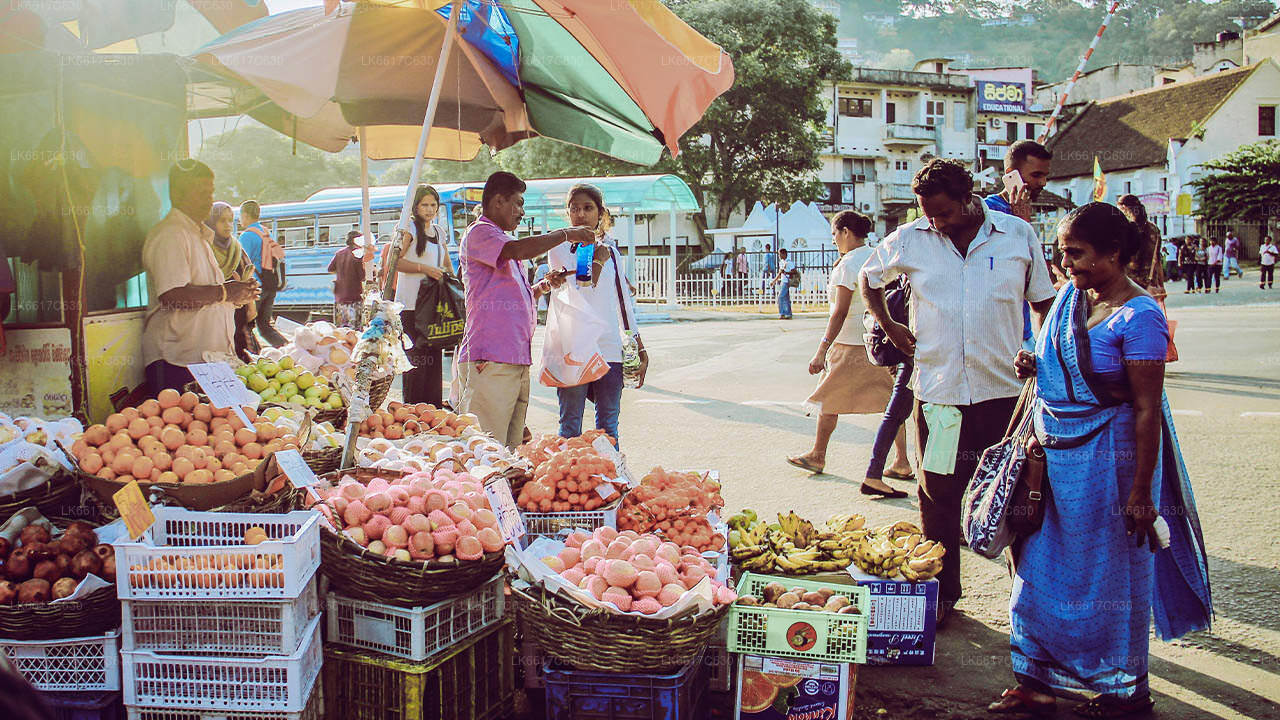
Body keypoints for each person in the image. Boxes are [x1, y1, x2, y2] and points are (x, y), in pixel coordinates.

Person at [991, 203, 1212, 718]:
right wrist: (1035, 362)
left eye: (1076, 253)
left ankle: (1123, 692)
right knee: (1036, 573)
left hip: (1111, 466)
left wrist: (1141, 493)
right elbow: (1059, 361)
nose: (1065, 263)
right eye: (1062, 252)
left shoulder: (1141, 316)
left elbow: (1147, 409)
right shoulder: (1072, 298)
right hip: (1054, 464)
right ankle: (1036, 683)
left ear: (1114, 253)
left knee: (1108, 580)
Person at [860, 159, 1056, 626]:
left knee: (1014, 497)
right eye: (928, 213)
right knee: (938, 495)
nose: (936, 223)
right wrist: (890, 325)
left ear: (969, 199)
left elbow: (1044, 302)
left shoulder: (1016, 235)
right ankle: (944, 594)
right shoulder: (911, 237)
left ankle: (1028, 600)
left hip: (1005, 396)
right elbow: (868, 277)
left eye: (944, 213)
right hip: (940, 397)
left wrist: (1041, 354)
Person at [456, 172, 594, 448]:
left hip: (514, 358)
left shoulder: (501, 240)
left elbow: (514, 294)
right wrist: (566, 234)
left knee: (509, 450)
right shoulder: (480, 233)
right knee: (486, 449)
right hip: (490, 358)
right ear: (498, 201)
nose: (522, 212)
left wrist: (543, 286)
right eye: (518, 204)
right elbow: (519, 250)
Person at [787, 211, 901, 496]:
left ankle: (818, 454)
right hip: (877, 342)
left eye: (835, 234)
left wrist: (821, 349)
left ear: (846, 232)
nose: (834, 240)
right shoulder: (877, 256)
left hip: (848, 343)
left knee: (829, 399)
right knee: (892, 402)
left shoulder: (848, 265)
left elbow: (839, 312)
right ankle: (901, 460)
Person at [141, 160, 257, 394]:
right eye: (201, 193)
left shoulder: (197, 235)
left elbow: (206, 295)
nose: (208, 200)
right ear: (177, 194)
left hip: (205, 360)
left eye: (210, 193)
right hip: (177, 361)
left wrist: (237, 295)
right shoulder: (171, 234)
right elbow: (172, 295)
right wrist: (225, 292)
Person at [547, 184, 649, 442]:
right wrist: (597, 259)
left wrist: (638, 345)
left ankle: (609, 469)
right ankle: (569, 469)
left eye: (587, 208)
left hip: (608, 347)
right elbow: (582, 287)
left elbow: (622, 301)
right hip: (573, 348)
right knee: (570, 427)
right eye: (574, 209)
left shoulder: (610, 251)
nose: (580, 214)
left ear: (600, 213)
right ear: (568, 213)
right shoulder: (559, 249)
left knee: (608, 428)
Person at [986, 141, 1054, 352]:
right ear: (1011, 175)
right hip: (996, 337)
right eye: (1036, 175)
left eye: (1045, 176)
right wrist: (1021, 223)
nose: (1042, 183)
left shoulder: (1021, 211)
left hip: (1023, 332)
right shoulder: (987, 212)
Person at [394, 185, 453, 407]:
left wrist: (455, 286)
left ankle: (432, 411)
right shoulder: (408, 229)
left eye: (433, 205)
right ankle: (412, 411)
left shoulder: (439, 232)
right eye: (424, 205)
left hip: (435, 307)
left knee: (434, 362)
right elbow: (395, 263)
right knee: (415, 363)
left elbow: (446, 264)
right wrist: (424, 269)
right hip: (411, 306)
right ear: (415, 207)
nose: (429, 209)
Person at [204, 201, 259, 362]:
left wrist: (250, 305)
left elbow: (248, 277)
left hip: (239, 316)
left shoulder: (236, 248)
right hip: (212, 316)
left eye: (230, 220)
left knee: (241, 360)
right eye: (222, 220)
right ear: (211, 222)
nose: (228, 225)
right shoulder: (203, 249)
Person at [236, 200, 287, 346]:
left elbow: (242, 263)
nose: (240, 220)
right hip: (270, 284)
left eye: (240, 216)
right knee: (265, 327)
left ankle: (249, 354)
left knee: (244, 326)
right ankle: (287, 348)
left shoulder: (246, 236)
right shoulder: (266, 233)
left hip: (255, 287)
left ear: (245, 215)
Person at [329, 230, 367, 328]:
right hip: (354, 297)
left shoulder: (339, 253)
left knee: (341, 329)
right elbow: (363, 276)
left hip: (340, 297)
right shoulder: (358, 255)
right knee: (353, 330)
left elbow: (330, 269)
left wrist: (341, 273)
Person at [771, 248, 793, 319]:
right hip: (783, 281)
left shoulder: (789, 262)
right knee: (786, 298)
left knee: (780, 297)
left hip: (787, 282)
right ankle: (788, 314)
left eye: (780, 254)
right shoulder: (781, 262)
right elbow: (780, 273)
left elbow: (794, 271)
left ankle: (782, 313)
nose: (779, 256)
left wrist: (786, 272)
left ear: (784, 254)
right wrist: (774, 281)